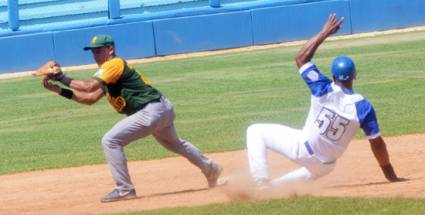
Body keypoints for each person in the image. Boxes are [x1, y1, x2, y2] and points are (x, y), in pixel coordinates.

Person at [41, 34, 222, 202]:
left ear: (110, 49)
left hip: (151, 111)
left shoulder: (113, 64)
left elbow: (88, 86)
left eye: (99, 50)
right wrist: (58, 89)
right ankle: (211, 169)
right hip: (161, 108)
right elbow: (89, 98)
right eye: (93, 51)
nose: (95, 55)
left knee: (110, 141)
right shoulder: (108, 74)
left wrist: (60, 77)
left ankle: (124, 189)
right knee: (176, 144)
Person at [246, 14, 402, 188]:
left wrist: (324, 33)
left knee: (255, 131)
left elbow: (301, 59)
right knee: (276, 189)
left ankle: (260, 181)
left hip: (301, 149)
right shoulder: (363, 107)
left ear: (334, 76)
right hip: (324, 167)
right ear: (355, 76)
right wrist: (390, 174)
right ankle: (265, 189)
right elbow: (377, 143)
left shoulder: (323, 87)